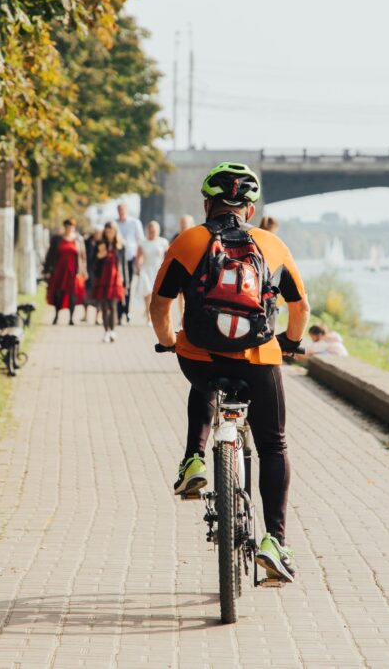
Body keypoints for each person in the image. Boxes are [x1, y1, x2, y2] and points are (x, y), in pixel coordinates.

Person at [149, 162, 309, 584]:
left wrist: (169, 341)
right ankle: (275, 542)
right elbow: (300, 308)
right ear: (250, 210)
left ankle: (194, 459)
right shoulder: (272, 245)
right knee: (273, 445)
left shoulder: (188, 241)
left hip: (199, 357)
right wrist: (290, 342)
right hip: (259, 360)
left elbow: (159, 304)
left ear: (207, 205)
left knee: (203, 378)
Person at [43, 218, 87, 325]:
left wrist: (83, 271)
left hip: (73, 272)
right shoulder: (57, 239)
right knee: (58, 293)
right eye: (67, 226)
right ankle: (56, 315)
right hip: (59, 271)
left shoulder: (78, 240)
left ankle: (71, 318)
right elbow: (50, 255)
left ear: (74, 227)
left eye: (71, 226)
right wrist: (47, 269)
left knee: (73, 295)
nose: (69, 228)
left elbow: (82, 257)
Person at [92, 221, 126, 342]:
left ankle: (112, 331)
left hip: (115, 279)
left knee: (113, 306)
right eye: (107, 232)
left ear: (115, 232)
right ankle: (106, 331)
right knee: (104, 306)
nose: (109, 234)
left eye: (111, 231)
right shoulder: (100, 244)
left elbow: (124, 265)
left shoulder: (120, 246)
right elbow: (93, 262)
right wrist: (99, 257)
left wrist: (126, 282)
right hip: (102, 279)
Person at [133, 221, 170, 325]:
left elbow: (168, 257)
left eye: (154, 230)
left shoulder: (163, 242)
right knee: (147, 293)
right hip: (146, 270)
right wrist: (138, 269)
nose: (152, 232)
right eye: (150, 230)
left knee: (157, 295)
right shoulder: (142, 242)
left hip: (158, 270)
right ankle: (149, 317)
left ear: (158, 231)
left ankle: (156, 315)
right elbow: (138, 258)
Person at [114, 202, 144, 323]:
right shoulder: (114, 223)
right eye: (119, 210)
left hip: (130, 257)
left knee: (128, 285)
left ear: (126, 210)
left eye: (123, 210)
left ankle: (126, 311)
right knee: (118, 284)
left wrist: (138, 260)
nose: (121, 212)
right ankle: (119, 312)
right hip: (117, 258)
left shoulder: (135, 223)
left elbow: (140, 241)